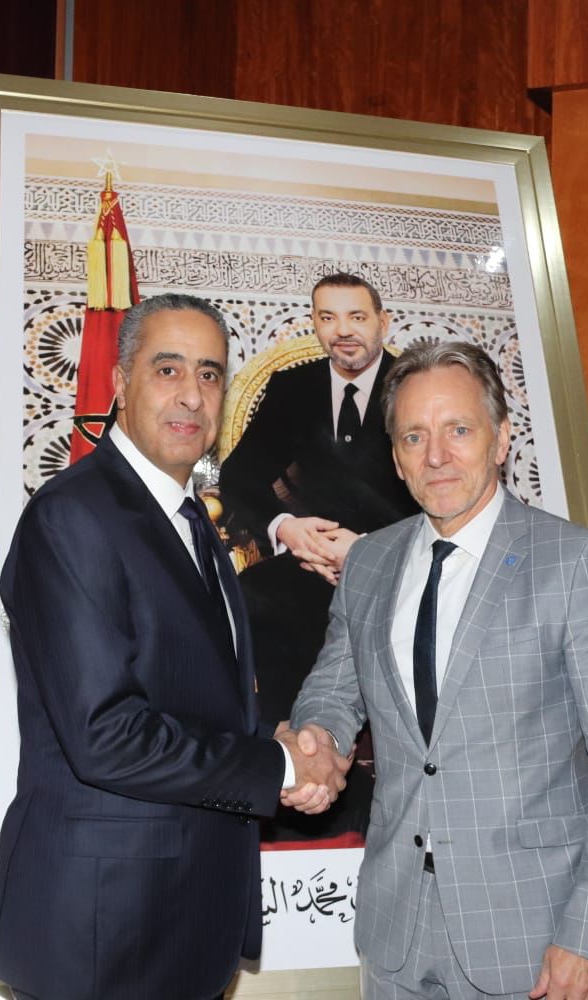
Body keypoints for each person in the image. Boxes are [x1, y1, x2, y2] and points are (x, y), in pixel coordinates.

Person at [0, 294, 351, 1000]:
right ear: (120, 383)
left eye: (210, 374)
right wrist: (279, 765)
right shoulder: (73, 516)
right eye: (168, 369)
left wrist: (279, 739)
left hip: (183, 931)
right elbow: (104, 734)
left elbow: (198, 704)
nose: (192, 394)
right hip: (102, 940)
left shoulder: (192, 523)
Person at [287, 341, 588, 1000]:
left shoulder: (578, 563)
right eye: (414, 436)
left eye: (458, 430)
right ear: (396, 457)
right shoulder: (370, 562)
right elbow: (335, 688)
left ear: (501, 439)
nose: (436, 455)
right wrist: (317, 739)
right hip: (394, 931)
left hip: (535, 939)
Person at [217, 273, 419, 838]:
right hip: (309, 567)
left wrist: (368, 552)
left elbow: (441, 492)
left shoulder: (414, 385)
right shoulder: (294, 387)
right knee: (252, 601)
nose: (343, 331)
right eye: (328, 318)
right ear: (315, 325)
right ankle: (295, 765)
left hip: (399, 565)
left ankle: (378, 796)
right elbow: (239, 477)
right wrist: (288, 527)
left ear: (382, 322)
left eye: (356, 316)